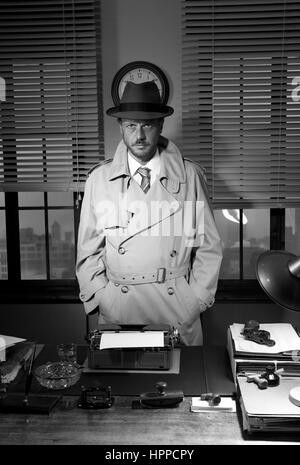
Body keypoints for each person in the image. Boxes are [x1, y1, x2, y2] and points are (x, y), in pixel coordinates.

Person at [76, 80, 222, 345]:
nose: (139, 135)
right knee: (121, 385)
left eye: (148, 125)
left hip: (175, 308)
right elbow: (88, 252)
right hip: (119, 308)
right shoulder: (98, 180)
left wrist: (193, 301)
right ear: (120, 126)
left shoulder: (190, 177)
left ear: (161, 125)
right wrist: (103, 297)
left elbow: (209, 249)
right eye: (131, 125)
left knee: (182, 384)